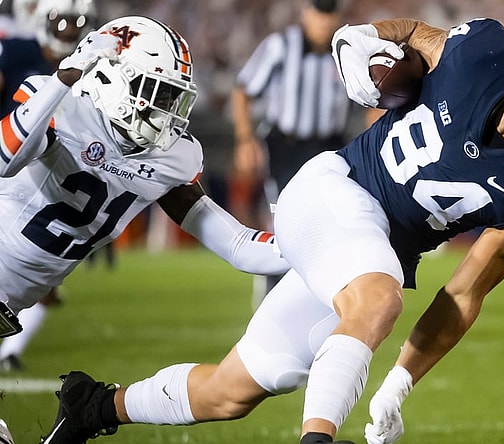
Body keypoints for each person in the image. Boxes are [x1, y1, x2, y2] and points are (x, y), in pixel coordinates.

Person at [41, 16, 504, 444]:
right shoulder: (485, 49)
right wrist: (360, 39)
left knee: (232, 392)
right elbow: (409, 34)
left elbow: (464, 292)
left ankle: (94, 406)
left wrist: (400, 382)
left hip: (363, 253)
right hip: (336, 190)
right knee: (378, 297)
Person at [0, 15, 290, 340]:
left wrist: (315, 248)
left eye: (171, 97)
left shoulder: (170, 158)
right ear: (112, 78)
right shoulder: (63, 109)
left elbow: (238, 245)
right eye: (158, 91)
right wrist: (64, 79)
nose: (167, 109)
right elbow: (4, 161)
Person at [231, 0, 357, 305]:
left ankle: (319, 294)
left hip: (328, 144)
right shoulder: (280, 46)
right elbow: (243, 89)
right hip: (285, 144)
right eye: (319, 14)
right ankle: (270, 289)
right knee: (282, 218)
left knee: (330, 219)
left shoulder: (346, 51)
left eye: (330, 15)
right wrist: (245, 139)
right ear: (306, 13)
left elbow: (369, 102)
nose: (325, 23)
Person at [0, 0, 98, 372]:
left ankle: (8, 353)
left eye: (77, 24)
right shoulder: (17, 51)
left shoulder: (92, 68)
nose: (70, 31)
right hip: (8, 161)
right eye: (62, 22)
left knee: (42, 286)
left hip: (43, 178)